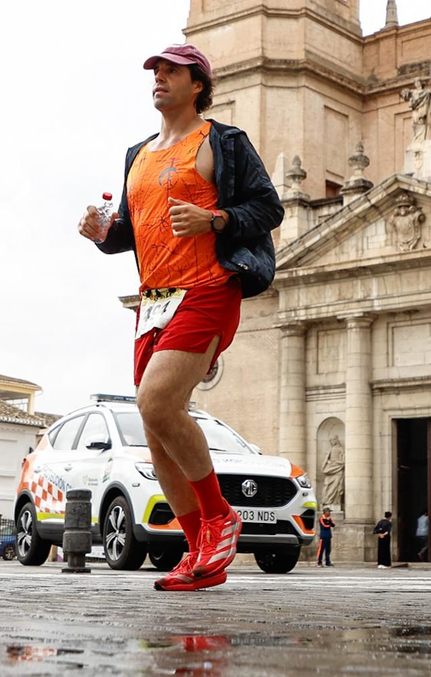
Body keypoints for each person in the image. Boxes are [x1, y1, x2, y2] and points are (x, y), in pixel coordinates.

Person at [80, 43, 283, 592]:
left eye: (172, 71)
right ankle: (200, 553)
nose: (160, 78)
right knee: (154, 427)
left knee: (155, 401)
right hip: (153, 300)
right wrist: (104, 234)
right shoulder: (138, 154)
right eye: (156, 71)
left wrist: (214, 218)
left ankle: (219, 517)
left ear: (198, 85)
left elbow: (268, 208)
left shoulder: (223, 141)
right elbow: (133, 231)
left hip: (209, 287)